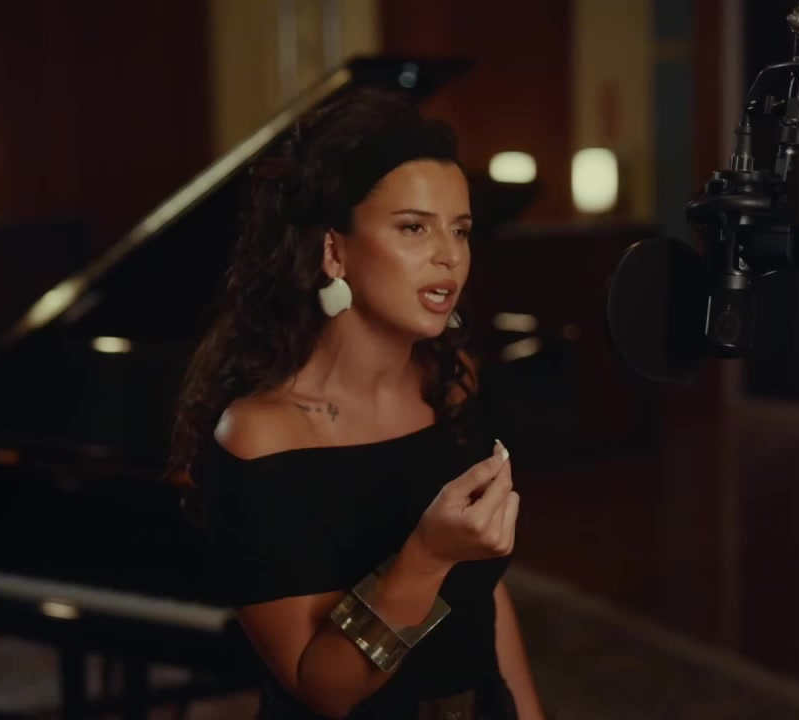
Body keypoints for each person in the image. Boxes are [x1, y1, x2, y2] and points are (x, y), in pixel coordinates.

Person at [167, 88, 546, 720]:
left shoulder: (452, 386)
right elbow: (325, 688)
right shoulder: (261, 436)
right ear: (334, 251)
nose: (449, 255)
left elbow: (486, 593)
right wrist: (427, 556)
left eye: (460, 229)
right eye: (413, 227)